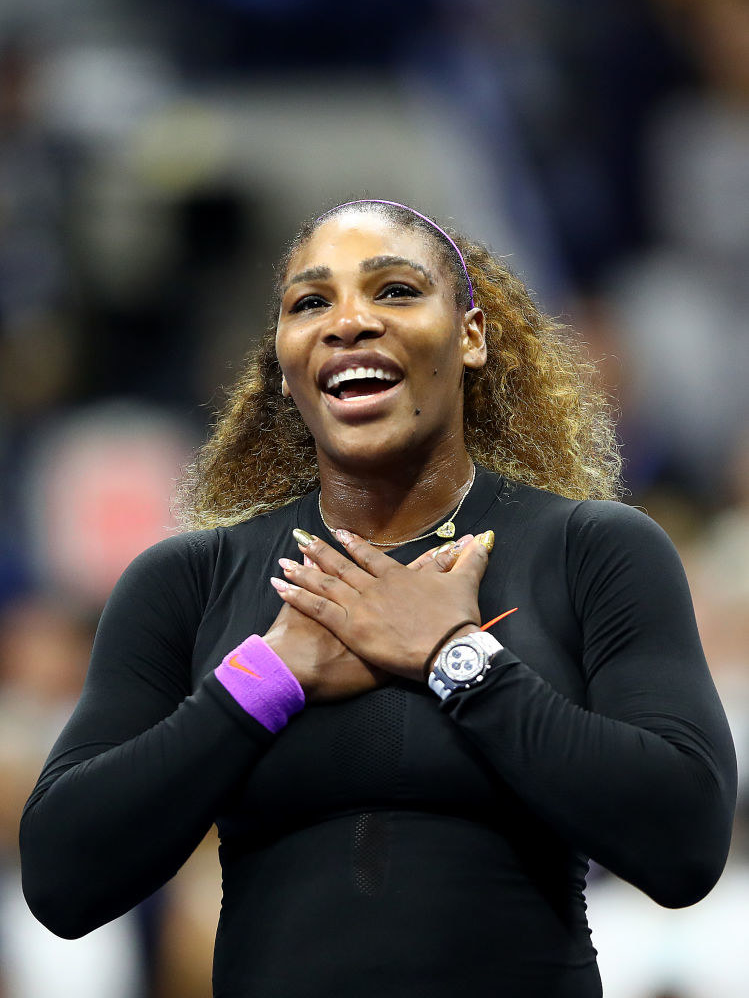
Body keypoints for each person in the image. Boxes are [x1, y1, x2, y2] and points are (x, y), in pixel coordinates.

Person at [20, 199, 737, 998]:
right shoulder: (186, 581)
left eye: (394, 290)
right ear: (285, 363)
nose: (348, 322)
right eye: (311, 302)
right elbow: (62, 878)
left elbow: (684, 843)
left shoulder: (593, 551)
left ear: (470, 336)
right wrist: (264, 680)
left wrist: (454, 658)